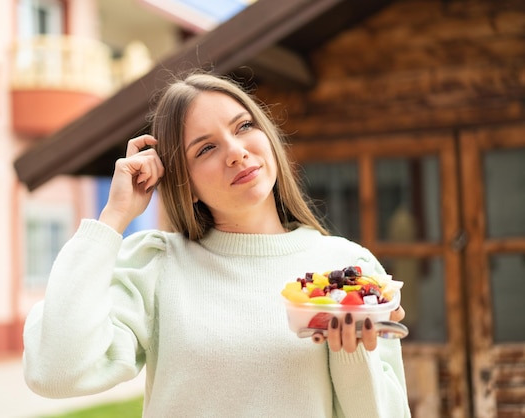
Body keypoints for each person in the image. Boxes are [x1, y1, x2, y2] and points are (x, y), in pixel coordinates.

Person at [22, 71, 412, 417]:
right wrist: (113, 219)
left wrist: (352, 353)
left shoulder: (347, 268)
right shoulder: (158, 266)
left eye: (243, 127)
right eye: (206, 148)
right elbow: (55, 371)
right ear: (185, 185)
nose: (236, 152)